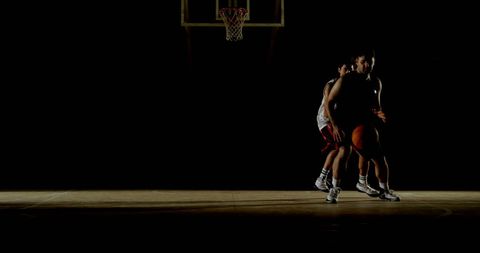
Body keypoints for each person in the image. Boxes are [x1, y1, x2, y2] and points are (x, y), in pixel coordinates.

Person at [325, 48, 400, 203]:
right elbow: (329, 102)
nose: (367, 65)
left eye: (370, 62)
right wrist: (335, 126)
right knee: (344, 152)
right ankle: (334, 189)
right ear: (356, 63)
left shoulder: (375, 82)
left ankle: (384, 190)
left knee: (378, 157)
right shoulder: (345, 80)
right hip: (344, 123)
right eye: (363, 62)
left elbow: (376, 107)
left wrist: (380, 114)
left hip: (363, 123)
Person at [315, 61, 380, 197]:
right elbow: (328, 108)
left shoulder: (350, 82)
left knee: (358, 147)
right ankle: (326, 182)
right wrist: (335, 126)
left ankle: (360, 182)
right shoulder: (332, 84)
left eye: (351, 69)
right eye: (346, 69)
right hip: (327, 121)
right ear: (339, 69)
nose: (349, 71)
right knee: (341, 149)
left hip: (340, 121)